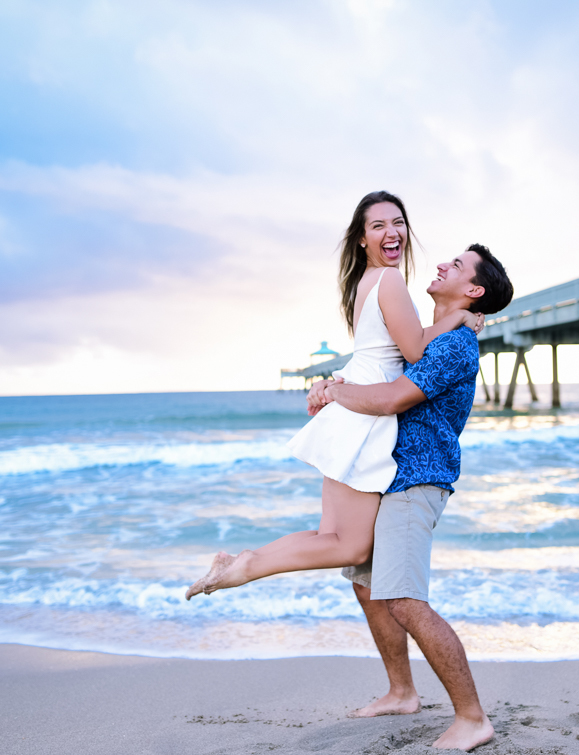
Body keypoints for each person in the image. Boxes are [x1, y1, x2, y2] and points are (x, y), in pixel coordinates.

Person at [185, 191, 482, 600]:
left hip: (354, 407)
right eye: (378, 225)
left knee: (330, 536)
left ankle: (241, 560)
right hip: (365, 413)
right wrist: (457, 317)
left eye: (398, 222)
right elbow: (415, 350)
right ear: (362, 238)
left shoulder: (366, 281)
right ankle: (246, 567)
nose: (392, 232)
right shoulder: (389, 279)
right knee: (351, 546)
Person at [307, 243, 514, 751]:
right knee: (366, 585)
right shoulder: (431, 336)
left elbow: (392, 398)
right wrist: (335, 382)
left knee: (403, 598)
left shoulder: (454, 347)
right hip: (386, 474)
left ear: (474, 290)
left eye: (457, 265)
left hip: (417, 479)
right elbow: (376, 370)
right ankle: (401, 692)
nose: (442, 264)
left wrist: (332, 393)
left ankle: (472, 718)